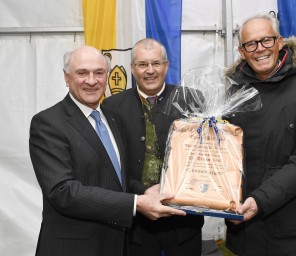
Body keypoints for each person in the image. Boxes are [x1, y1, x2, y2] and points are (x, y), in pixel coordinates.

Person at [29, 45, 185, 256]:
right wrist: (136, 202)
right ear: (67, 78)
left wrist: (144, 190)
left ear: (107, 77)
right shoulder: (48, 123)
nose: (92, 81)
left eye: (99, 73)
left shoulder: (112, 118)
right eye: (82, 73)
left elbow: (115, 176)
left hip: (116, 243)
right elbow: (62, 192)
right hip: (74, 247)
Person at [224, 13, 296, 256]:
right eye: (251, 44)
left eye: (266, 40)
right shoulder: (233, 92)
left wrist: (260, 200)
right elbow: (223, 155)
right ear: (242, 52)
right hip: (246, 229)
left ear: (280, 42)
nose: (259, 49)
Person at [103, 38, 204, 256]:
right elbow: (109, 163)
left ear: (166, 65)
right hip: (136, 226)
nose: (150, 71)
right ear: (132, 68)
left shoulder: (192, 100)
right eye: (142, 64)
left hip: (184, 223)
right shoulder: (111, 107)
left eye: (156, 63)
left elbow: (205, 157)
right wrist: (142, 192)